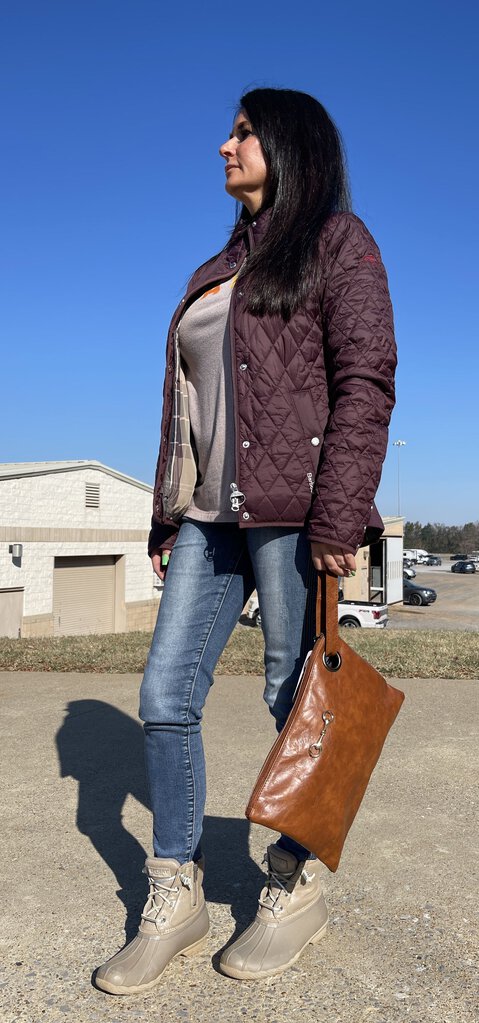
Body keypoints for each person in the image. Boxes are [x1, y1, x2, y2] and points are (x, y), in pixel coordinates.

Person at [95, 87, 396, 994]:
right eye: (229, 131)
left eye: (242, 131)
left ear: (290, 144)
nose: (224, 145)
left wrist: (339, 514)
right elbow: (185, 407)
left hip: (298, 511)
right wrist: (166, 509)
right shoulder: (212, 268)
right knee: (163, 694)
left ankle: (294, 885)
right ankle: (174, 891)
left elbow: (367, 381)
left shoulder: (338, 243)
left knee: (290, 694)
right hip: (208, 519)